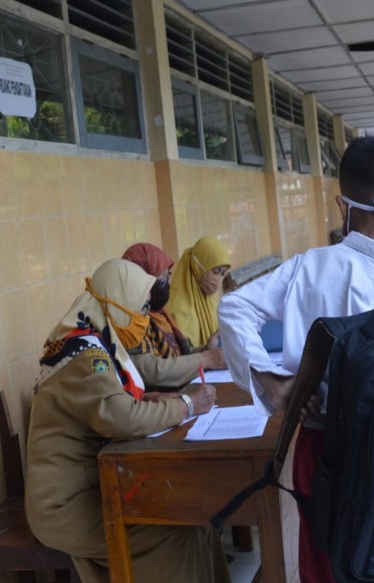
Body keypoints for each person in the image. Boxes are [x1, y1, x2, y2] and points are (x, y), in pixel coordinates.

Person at [218, 135, 374, 583]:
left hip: (323, 451)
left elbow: (234, 307)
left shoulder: (308, 267)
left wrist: (270, 380)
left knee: (326, 566)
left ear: (343, 206)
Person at [24, 259, 230, 583]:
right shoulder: (85, 354)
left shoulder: (96, 341)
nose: (143, 319)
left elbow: (109, 402)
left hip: (97, 485)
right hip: (66, 505)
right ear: (117, 302)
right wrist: (188, 405)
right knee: (177, 532)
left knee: (195, 517)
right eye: (141, 308)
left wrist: (149, 400)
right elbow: (121, 419)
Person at [121, 242, 226, 388]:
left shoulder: (160, 314)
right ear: (142, 281)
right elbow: (151, 371)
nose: (167, 284)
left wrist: (206, 349)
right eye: (162, 277)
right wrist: (205, 359)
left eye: (167, 276)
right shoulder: (130, 320)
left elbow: (177, 357)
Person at [166, 235, 231, 349]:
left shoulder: (211, 302)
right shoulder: (177, 310)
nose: (218, 280)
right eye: (215, 272)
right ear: (197, 268)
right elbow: (181, 353)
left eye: (222, 274)